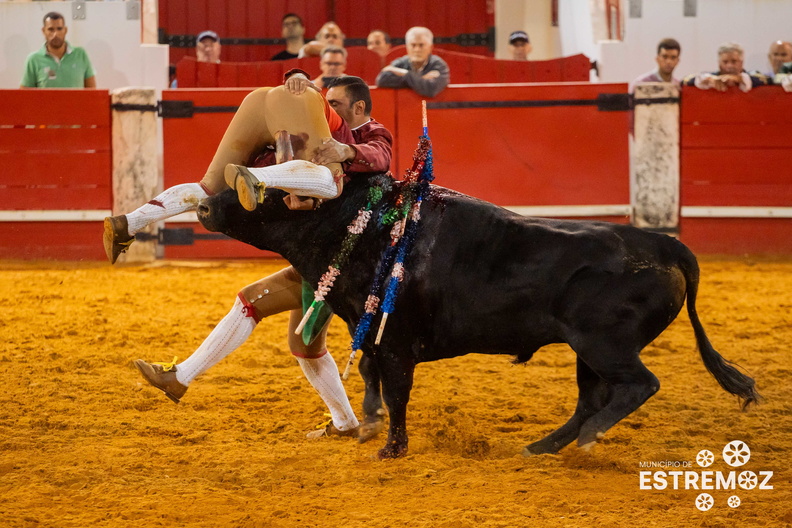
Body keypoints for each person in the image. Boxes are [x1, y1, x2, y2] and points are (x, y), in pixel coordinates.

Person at [134, 75, 392, 439]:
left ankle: (181, 378)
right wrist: (296, 81)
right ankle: (346, 424)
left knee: (253, 303)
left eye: (334, 105)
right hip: (321, 258)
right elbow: (286, 123)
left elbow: (381, 156)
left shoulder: (369, 134)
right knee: (302, 346)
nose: (326, 111)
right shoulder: (319, 134)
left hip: (348, 263)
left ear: (360, 108)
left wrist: (346, 152)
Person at [20, 11, 96, 88]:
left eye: (59, 29)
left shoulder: (80, 55)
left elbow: (92, 92)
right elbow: (24, 95)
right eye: (51, 29)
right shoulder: (33, 59)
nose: (55, 34)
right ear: (44, 31)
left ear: (65, 30)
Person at [375, 26, 450, 98]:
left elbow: (430, 89)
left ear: (430, 47)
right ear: (407, 47)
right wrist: (420, 78)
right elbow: (381, 81)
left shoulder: (439, 65)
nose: (417, 50)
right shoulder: (401, 62)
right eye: (413, 45)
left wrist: (405, 74)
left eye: (421, 45)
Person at [684, 42, 768, 92]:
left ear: (741, 62)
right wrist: (709, 79)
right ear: (719, 64)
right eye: (725, 62)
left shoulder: (753, 75)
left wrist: (739, 79)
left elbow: (767, 79)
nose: (729, 65)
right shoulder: (713, 77)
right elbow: (685, 80)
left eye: (734, 61)